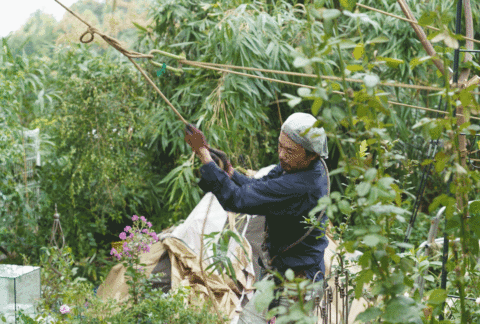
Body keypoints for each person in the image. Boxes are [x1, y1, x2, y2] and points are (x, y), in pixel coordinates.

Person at [185, 112, 329, 321]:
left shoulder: (301, 186)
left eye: (289, 150)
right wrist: (231, 173)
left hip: (299, 282)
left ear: (312, 154)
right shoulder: (298, 166)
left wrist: (203, 156)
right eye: (280, 146)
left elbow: (236, 200)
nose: (281, 155)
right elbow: (261, 187)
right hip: (282, 274)